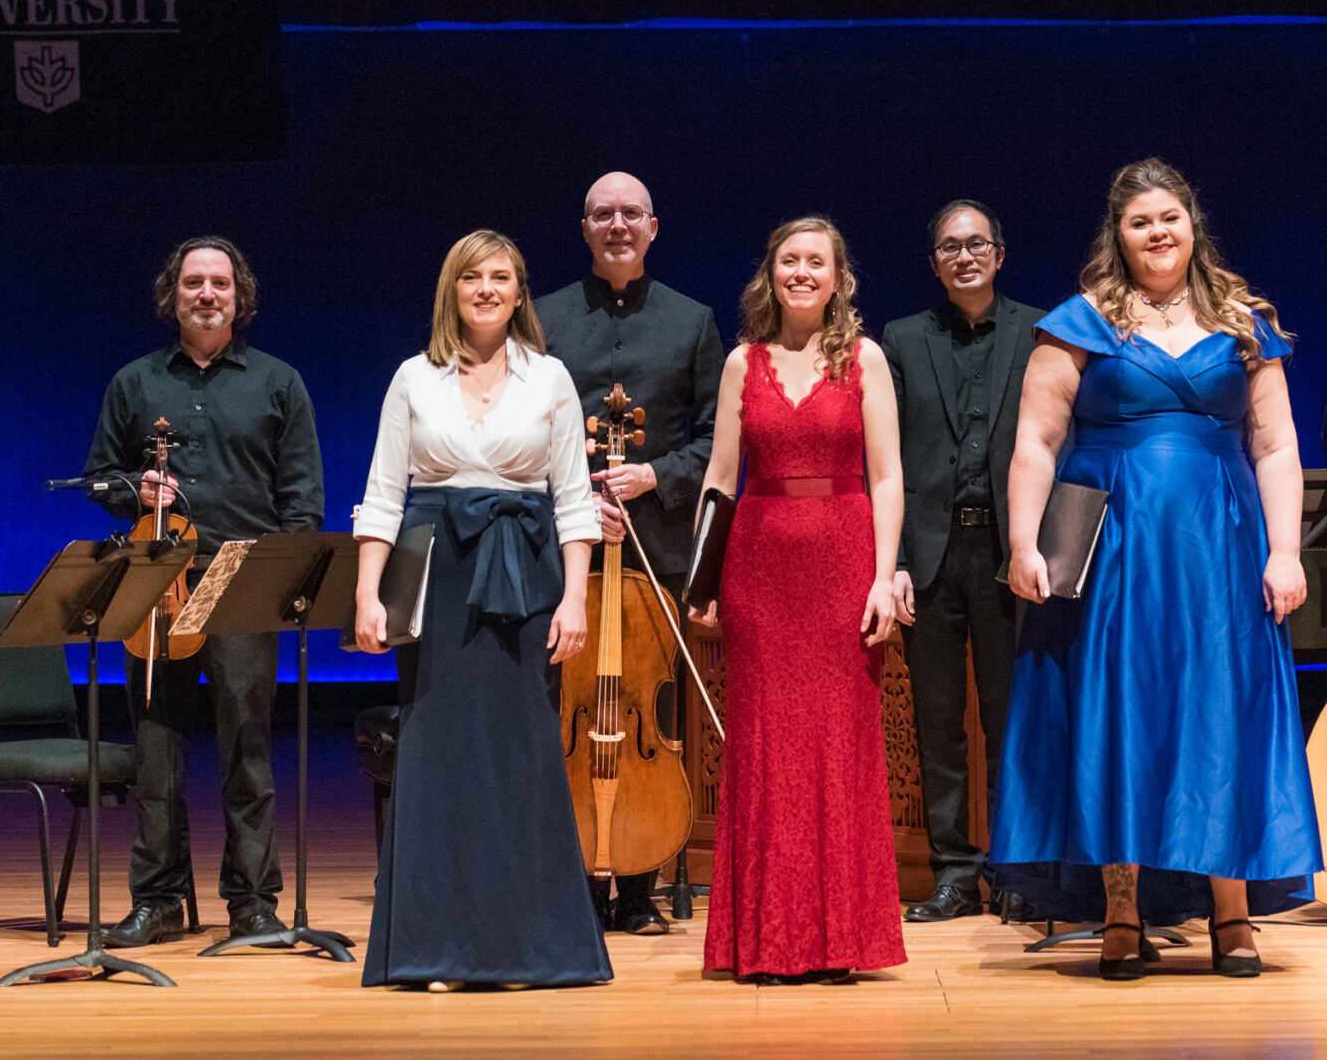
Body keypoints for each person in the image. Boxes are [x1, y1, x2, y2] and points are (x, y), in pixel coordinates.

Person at [991, 158, 1318, 982]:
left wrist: (1285, 550)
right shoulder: (1079, 323)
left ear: (1193, 225)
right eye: (1140, 221)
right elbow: (1036, 440)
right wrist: (1024, 543)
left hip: (1220, 548)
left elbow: (1276, 444)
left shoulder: (1244, 322)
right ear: (1119, 234)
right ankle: (1122, 910)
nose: (1157, 232)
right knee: (1119, 713)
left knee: (1222, 708)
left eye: (1169, 217)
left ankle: (1233, 913)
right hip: (1114, 551)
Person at [351, 230, 610, 989]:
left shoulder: (551, 376)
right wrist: (368, 594)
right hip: (435, 576)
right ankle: (438, 949)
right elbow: (383, 495)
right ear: (452, 290)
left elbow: (572, 499)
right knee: (437, 757)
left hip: (524, 576)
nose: (488, 289)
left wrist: (576, 596)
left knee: (520, 759)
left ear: (520, 291)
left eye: (502, 277)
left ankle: (527, 948)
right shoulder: (413, 377)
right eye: (473, 278)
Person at [82, 236, 323, 950]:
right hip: (159, 576)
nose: (207, 294)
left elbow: (302, 499)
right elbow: (99, 479)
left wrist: (285, 579)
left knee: (246, 745)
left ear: (239, 296)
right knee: (157, 746)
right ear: (173, 296)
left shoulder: (279, 382)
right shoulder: (135, 383)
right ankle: (159, 900)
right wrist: (135, 489)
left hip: (241, 576)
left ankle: (252, 902)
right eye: (194, 283)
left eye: (220, 283)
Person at [692, 217, 909, 981]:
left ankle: (836, 939)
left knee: (836, 746)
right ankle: (766, 941)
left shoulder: (866, 360)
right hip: (759, 568)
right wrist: (702, 581)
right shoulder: (740, 362)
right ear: (771, 272)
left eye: (817, 261)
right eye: (790, 260)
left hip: (844, 565)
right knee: (764, 747)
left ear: (839, 276)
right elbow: (721, 479)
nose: (803, 272)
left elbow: (886, 475)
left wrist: (884, 575)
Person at [533, 171, 725, 935]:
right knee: (566, 707)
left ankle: (641, 884)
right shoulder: (541, 319)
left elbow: (716, 441)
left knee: (655, 710)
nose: (618, 225)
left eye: (631, 214)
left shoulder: (693, 321)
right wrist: (578, 495)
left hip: (658, 544)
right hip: (566, 543)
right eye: (603, 214)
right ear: (584, 227)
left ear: (654, 227)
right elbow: (527, 430)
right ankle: (575, 877)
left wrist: (654, 475)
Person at [883, 201, 1039, 924]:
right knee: (939, 722)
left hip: (1011, 553)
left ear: (1000, 254)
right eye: (950, 247)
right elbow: (886, 463)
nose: (965, 256)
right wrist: (895, 564)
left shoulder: (1040, 332)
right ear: (934, 262)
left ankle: (1015, 870)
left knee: (1014, 722)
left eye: (978, 243)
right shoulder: (903, 339)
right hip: (931, 557)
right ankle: (953, 873)